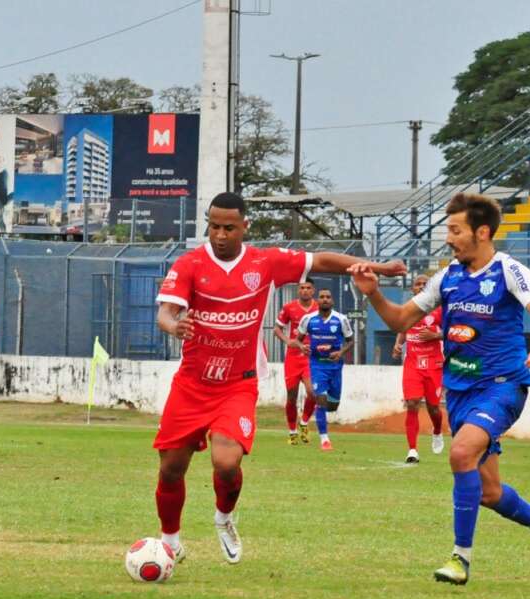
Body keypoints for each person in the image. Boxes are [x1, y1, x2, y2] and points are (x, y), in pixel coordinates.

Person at [154, 191, 405, 565]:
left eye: (228, 228)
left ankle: (224, 517)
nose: (220, 235)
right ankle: (169, 542)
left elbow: (321, 259)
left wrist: (377, 267)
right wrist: (174, 326)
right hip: (192, 383)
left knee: (226, 463)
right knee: (171, 470)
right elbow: (165, 313)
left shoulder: (264, 262)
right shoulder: (190, 264)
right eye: (213, 227)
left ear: (244, 227)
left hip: (237, 384)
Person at [348, 192, 530, 585]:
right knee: (489, 492)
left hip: (503, 386)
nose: (448, 238)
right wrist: (374, 293)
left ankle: (459, 559)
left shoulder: (508, 271)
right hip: (460, 391)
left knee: (461, 453)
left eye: (455, 230)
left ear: (482, 232)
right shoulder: (448, 278)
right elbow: (400, 320)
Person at [392, 274, 445, 463]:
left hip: (434, 365)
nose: (421, 286)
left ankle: (437, 430)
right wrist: (398, 344)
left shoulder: (439, 310)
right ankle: (412, 450)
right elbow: (402, 327)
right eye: (418, 284)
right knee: (412, 403)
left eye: (425, 284)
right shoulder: (408, 310)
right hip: (413, 364)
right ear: (412, 289)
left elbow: (453, 331)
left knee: (433, 408)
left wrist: (435, 336)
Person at [296, 289, 353, 452]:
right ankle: (324, 439)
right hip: (317, 365)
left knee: (332, 406)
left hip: (335, 367)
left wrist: (341, 352)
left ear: (332, 301)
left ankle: (314, 415)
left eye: (328, 297)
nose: (325, 299)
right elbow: (298, 340)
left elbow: (350, 341)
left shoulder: (341, 319)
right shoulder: (308, 319)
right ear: (317, 301)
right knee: (320, 399)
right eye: (322, 297)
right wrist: (302, 347)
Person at [273, 281, 318, 445]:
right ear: (298, 290)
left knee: (312, 392)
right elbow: (277, 329)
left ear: (313, 290)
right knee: (291, 397)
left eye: (308, 288)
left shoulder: (319, 308)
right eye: (302, 288)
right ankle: (292, 432)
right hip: (292, 358)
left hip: (311, 357)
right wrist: (288, 340)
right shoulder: (289, 307)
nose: (305, 291)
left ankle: (304, 423)